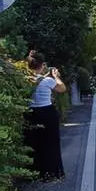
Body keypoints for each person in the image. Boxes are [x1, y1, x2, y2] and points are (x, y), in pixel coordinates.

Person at [24, 51, 67, 180]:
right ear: (42, 65)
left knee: (34, 143)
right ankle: (52, 172)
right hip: (47, 112)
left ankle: (35, 172)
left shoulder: (26, 79)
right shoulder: (48, 80)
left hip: (31, 113)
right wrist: (56, 76)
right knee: (51, 142)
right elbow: (62, 89)